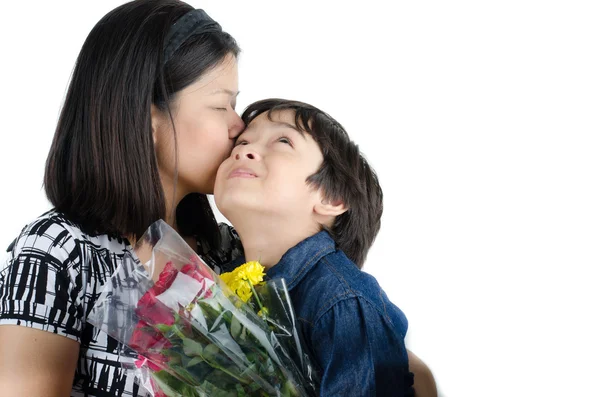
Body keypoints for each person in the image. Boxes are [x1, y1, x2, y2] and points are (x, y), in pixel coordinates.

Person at [0, 1, 245, 396]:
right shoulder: (57, 252)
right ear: (148, 120)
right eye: (222, 106)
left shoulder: (229, 249)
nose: (240, 125)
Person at [214, 98, 416, 396]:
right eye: (241, 141)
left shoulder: (343, 302)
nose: (243, 150)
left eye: (283, 140)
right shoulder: (219, 288)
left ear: (332, 198)